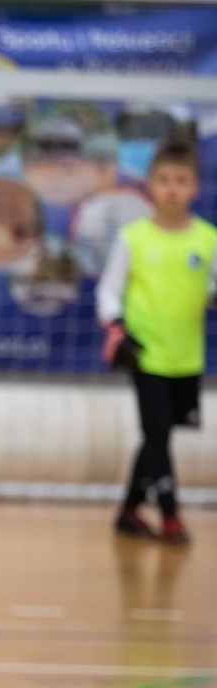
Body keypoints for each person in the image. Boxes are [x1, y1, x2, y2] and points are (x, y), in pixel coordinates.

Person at [99, 139, 216, 547]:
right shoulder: (133, 238)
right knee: (158, 430)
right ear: (149, 185)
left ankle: (130, 510)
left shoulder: (207, 240)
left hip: (186, 356)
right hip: (145, 353)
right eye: (164, 180)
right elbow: (109, 290)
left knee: (157, 437)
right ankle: (170, 515)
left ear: (195, 187)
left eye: (181, 180)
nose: (171, 188)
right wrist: (117, 327)